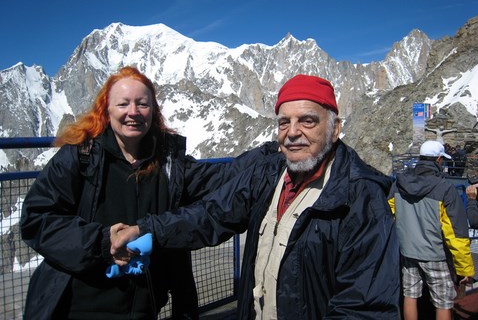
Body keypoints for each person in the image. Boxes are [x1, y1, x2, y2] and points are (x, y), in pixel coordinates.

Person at [111, 74, 401, 319]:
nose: (293, 132)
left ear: (335, 129)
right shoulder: (270, 173)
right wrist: (145, 229)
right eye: (284, 122)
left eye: (308, 121)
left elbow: (364, 307)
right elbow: (211, 214)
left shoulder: (361, 198)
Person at [20, 66, 275, 320]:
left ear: (153, 111)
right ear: (106, 110)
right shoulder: (80, 156)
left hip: (144, 308)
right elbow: (37, 218)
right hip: (77, 307)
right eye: (123, 104)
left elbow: (223, 177)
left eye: (142, 104)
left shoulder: (169, 164)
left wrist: (274, 152)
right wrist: (101, 242)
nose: (133, 112)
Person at [388, 140, 474, 320]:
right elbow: (456, 233)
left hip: (408, 252)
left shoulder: (399, 184)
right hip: (436, 254)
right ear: (439, 160)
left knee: (410, 295)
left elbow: (390, 214)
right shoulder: (445, 188)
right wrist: (464, 268)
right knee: (443, 302)